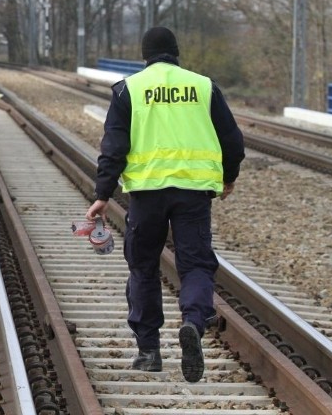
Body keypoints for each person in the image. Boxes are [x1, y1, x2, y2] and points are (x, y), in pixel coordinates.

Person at [85, 26, 245, 383]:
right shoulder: (204, 87)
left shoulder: (130, 89)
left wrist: (102, 194)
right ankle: (192, 321)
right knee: (196, 265)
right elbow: (232, 141)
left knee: (143, 267)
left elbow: (113, 149)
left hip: (146, 194)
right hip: (193, 193)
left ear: (144, 55)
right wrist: (228, 176)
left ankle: (148, 352)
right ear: (176, 52)